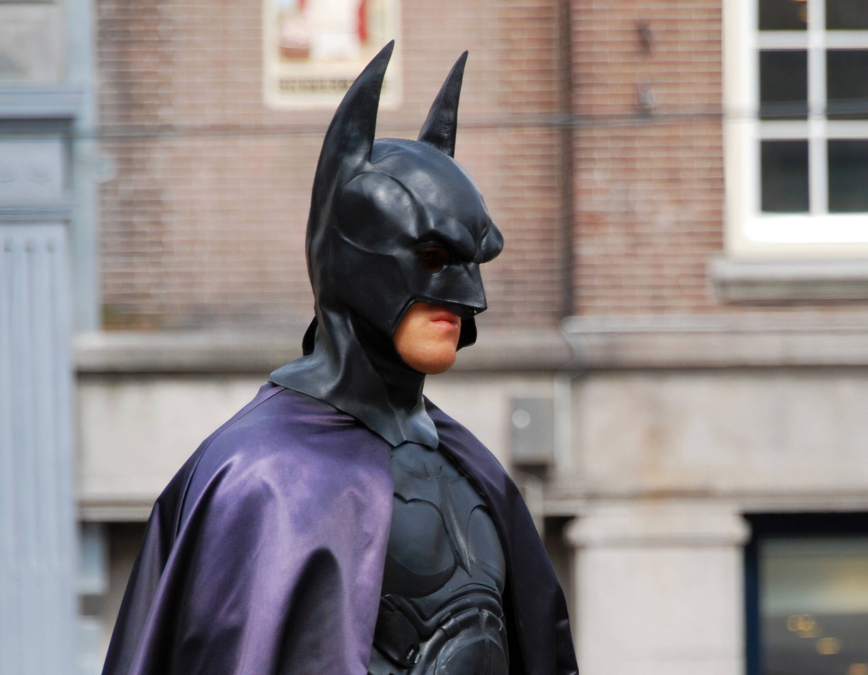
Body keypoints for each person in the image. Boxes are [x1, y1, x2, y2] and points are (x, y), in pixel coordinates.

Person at [102, 42, 578, 675]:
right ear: (352, 259)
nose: (471, 299)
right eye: (433, 260)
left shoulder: (472, 467)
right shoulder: (264, 479)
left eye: (470, 264)